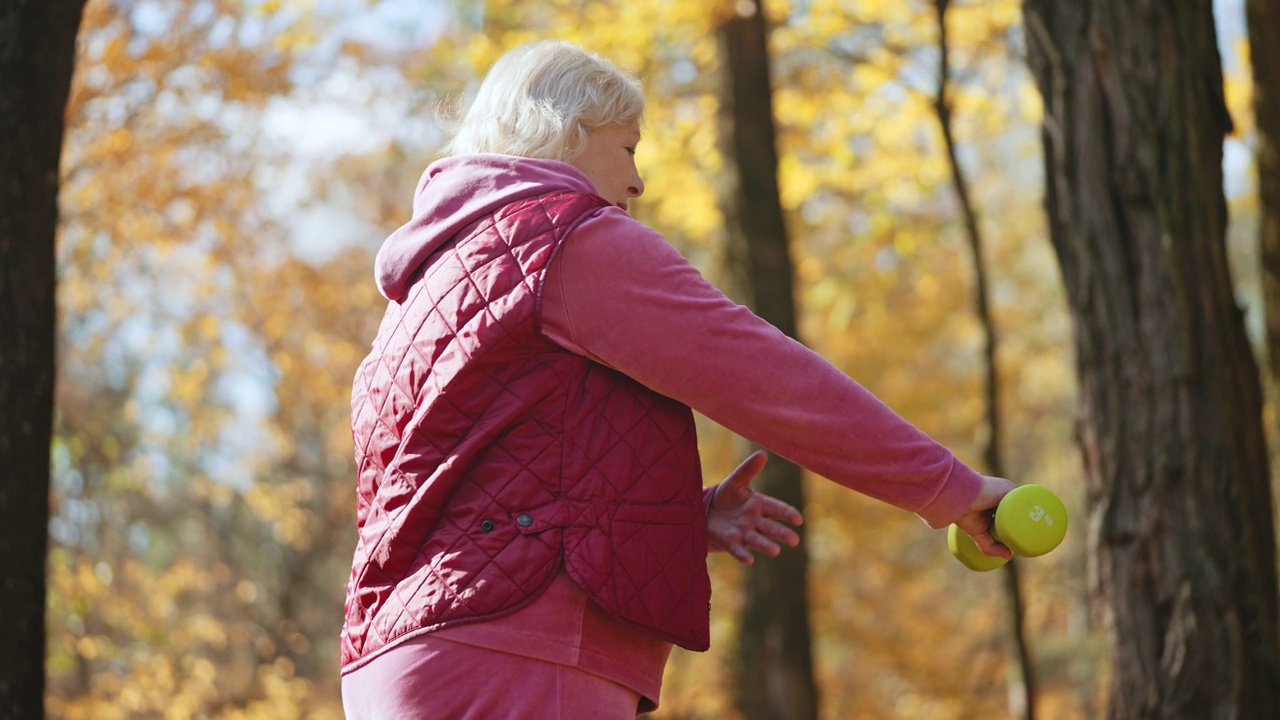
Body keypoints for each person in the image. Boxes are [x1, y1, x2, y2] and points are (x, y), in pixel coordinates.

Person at [339, 39, 1016, 719]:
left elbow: (462, 485)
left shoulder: (426, 287)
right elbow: (766, 379)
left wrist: (680, 516)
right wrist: (948, 487)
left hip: (398, 661)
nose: (637, 183)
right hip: (521, 655)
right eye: (628, 148)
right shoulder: (570, 242)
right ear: (570, 132)